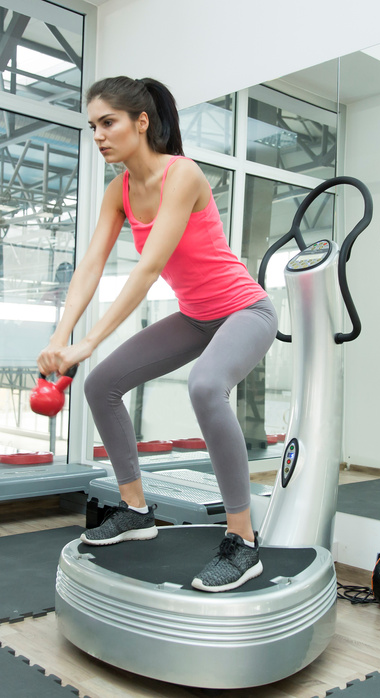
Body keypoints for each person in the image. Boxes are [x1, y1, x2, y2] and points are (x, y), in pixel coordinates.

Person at [36, 76, 278, 592]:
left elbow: (147, 271)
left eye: (108, 122)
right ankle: (136, 511)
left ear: (141, 122)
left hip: (245, 310)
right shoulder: (118, 190)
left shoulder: (182, 174)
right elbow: (90, 267)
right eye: (93, 125)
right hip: (195, 317)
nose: (98, 135)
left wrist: (88, 340)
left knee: (206, 387)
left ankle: (243, 542)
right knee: (101, 384)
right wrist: (62, 336)